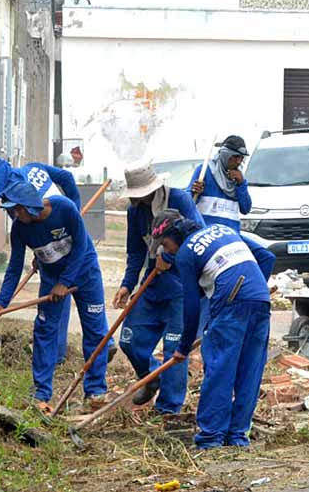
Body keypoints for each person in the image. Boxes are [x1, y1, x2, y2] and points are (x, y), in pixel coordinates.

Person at [0, 155, 116, 364]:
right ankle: (75, 348)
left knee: (66, 292)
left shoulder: (15, 193)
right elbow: (65, 177)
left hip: (69, 247)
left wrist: (73, 212)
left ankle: (67, 352)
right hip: (54, 244)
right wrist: (40, 251)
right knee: (57, 298)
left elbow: (34, 224)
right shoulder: (32, 169)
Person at [0, 181, 110, 413]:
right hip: (52, 276)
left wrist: (66, 282)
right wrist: (1, 302)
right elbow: (14, 267)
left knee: (95, 330)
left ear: (30, 206)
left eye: (17, 209)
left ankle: (95, 390)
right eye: (11, 210)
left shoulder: (64, 208)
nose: (14, 214)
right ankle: (41, 392)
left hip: (85, 273)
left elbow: (82, 246)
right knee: (44, 330)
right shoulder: (20, 229)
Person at [160, 219, 275, 449]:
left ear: (176, 238)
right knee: (249, 372)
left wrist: (183, 347)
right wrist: (254, 290)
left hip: (231, 301)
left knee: (220, 369)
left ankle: (211, 437)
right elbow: (266, 257)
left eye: (165, 244)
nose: (166, 250)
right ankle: (238, 436)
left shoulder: (185, 253)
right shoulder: (223, 229)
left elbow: (191, 305)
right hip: (260, 299)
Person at [112, 164, 206, 414]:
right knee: (129, 340)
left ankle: (168, 409)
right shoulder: (135, 211)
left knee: (174, 349)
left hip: (181, 285)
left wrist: (172, 260)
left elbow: (199, 239)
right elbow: (135, 252)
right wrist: (126, 284)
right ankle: (151, 377)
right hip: (153, 283)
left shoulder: (180, 199)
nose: (134, 198)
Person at [190, 135, 252, 231]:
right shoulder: (205, 170)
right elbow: (188, 203)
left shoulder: (238, 177)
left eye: (241, 157)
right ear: (225, 155)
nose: (239, 161)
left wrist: (241, 184)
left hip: (231, 236)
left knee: (259, 247)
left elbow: (245, 209)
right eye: (235, 157)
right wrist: (193, 192)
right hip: (208, 234)